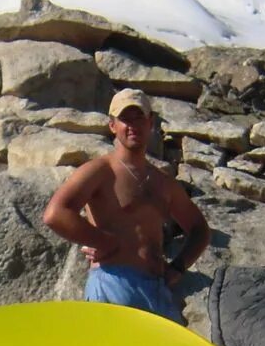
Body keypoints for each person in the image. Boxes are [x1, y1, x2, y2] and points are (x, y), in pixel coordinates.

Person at [42, 88, 209, 322]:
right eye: (125, 119)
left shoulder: (162, 182)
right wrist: (103, 241)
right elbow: (55, 214)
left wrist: (179, 267)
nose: (133, 125)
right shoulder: (100, 170)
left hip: (156, 288)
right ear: (112, 125)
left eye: (139, 117)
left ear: (150, 122)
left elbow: (199, 229)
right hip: (112, 281)